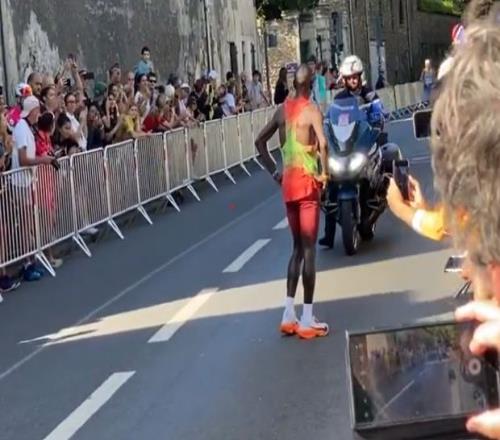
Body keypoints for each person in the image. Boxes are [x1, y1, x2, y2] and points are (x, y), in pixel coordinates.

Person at [255, 64, 330, 340]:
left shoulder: (281, 112)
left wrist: (274, 172)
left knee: (296, 248)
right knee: (309, 250)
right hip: (307, 186)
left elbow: (259, 142)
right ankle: (307, 318)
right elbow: (323, 144)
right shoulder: (312, 110)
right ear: (310, 85)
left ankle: (288, 314)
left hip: (287, 187)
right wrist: (325, 174)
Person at [318, 55, 386, 248]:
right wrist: (325, 126)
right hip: (345, 145)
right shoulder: (339, 98)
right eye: (349, 78)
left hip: (364, 142)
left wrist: (378, 119)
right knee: (331, 184)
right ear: (344, 79)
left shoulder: (369, 94)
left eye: (355, 77)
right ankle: (328, 234)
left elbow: (379, 111)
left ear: (360, 76)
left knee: (372, 172)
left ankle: (375, 200)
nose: (353, 80)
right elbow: (330, 118)